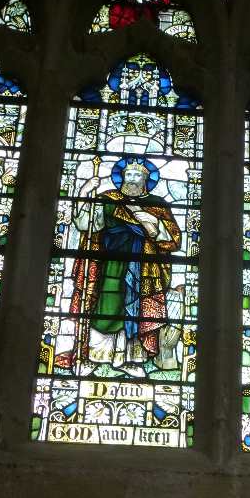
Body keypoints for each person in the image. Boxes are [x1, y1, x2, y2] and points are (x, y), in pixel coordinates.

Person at [71, 158, 181, 378]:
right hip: (107, 263)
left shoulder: (157, 204)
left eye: (137, 175)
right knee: (103, 306)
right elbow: (87, 225)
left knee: (136, 310)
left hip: (142, 266)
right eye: (128, 175)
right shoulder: (107, 199)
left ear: (146, 180)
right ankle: (95, 355)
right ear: (121, 177)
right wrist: (84, 192)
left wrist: (151, 221)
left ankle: (130, 359)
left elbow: (173, 240)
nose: (132, 179)